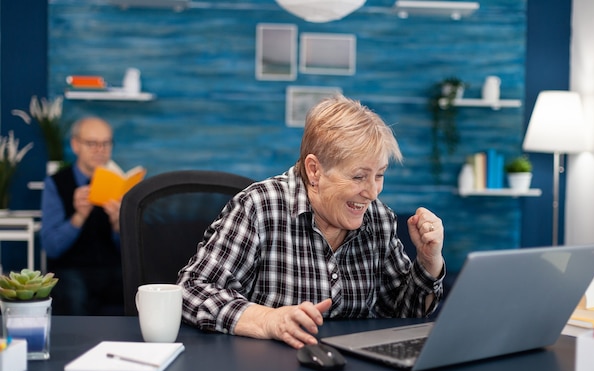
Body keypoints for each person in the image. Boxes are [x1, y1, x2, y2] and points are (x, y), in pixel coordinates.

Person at [177, 95, 445, 348]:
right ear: (314, 170)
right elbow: (190, 291)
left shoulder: (379, 219)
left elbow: (404, 314)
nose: (373, 192)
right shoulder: (260, 208)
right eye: (358, 177)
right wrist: (268, 320)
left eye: (380, 175)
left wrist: (428, 261)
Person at [40, 116, 124, 315]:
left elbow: (129, 252)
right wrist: (78, 217)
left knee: (136, 287)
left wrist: (118, 225)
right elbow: (51, 248)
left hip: (111, 268)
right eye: (92, 143)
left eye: (105, 143)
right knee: (73, 292)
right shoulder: (56, 184)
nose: (99, 150)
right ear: (75, 145)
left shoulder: (120, 184)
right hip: (70, 269)